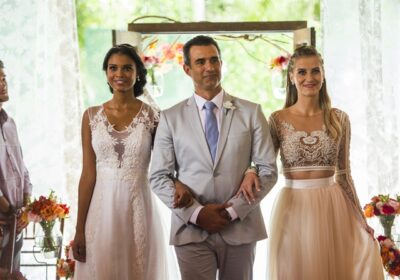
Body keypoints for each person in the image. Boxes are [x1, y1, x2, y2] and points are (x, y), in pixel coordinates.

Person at [238, 45, 384, 280]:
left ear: (323, 74)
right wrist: (250, 171)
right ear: (292, 76)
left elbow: (344, 174)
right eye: (302, 72)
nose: (309, 78)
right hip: (293, 207)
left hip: (333, 207)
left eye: (315, 71)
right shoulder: (277, 119)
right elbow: (263, 162)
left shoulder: (339, 119)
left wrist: (360, 217)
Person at [150, 35, 277, 280]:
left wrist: (232, 212)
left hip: (240, 227)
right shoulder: (170, 118)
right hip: (190, 229)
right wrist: (197, 214)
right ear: (187, 69)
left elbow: (268, 170)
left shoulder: (251, 112)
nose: (209, 67)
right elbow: (159, 177)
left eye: (214, 60)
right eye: (200, 62)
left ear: (221, 63)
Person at [73, 44, 172, 280]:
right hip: (100, 210)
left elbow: (165, 167)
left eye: (127, 68)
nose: (120, 74)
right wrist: (79, 229)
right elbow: (88, 174)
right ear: (106, 72)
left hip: (138, 207)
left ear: (137, 72)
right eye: (113, 68)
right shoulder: (90, 116)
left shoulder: (154, 116)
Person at [0, 59, 31, 278]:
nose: (3, 84)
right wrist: (8, 209)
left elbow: (23, 169)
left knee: (13, 273)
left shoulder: (11, 123)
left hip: (16, 221)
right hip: (4, 218)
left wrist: (26, 207)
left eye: (3, 78)